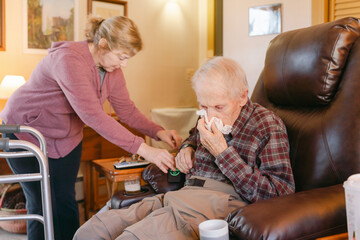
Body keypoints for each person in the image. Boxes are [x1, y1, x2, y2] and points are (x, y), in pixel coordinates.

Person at [0, 16, 182, 240]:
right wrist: (146, 150)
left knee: (64, 201)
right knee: (40, 204)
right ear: (103, 44)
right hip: (26, 131)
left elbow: (126, 110)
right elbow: (94, 116)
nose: (124, 64)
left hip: (64, 138)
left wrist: (158, 132)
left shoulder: (111, 69)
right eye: (122, 57)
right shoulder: (68, 60)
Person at [73, 57, 295, 240]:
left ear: (243, 96)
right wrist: (186, 150)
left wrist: (223, 154)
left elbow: (280, 193)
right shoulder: (208, 118)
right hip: (180, 195)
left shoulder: (267, 125)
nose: (210, 116)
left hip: (219, 203)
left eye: (219, 107)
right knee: (90, 232)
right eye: (204, 107)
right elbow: (193, 136)